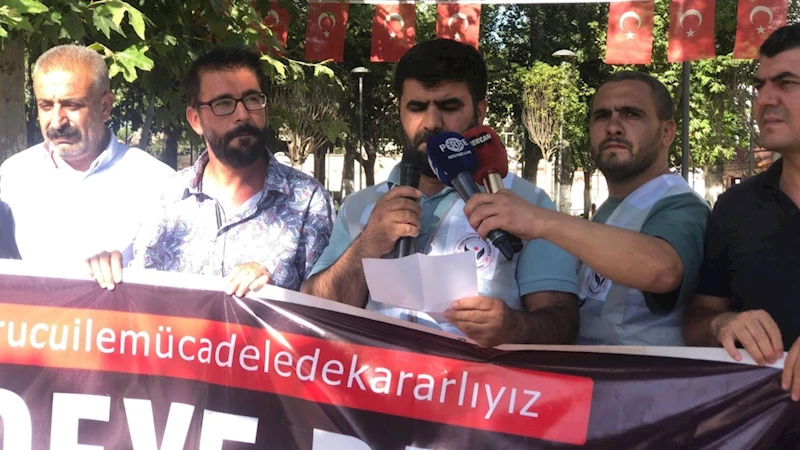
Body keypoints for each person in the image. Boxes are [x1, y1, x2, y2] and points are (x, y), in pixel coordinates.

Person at [302, 39, 580, 347]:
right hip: (378, 376)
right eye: (417, 107)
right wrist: (367, 244)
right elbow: (315, 312)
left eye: (449, 107)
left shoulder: (528, 204)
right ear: (399, 111)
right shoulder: (360, 207)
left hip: (476, 377)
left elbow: (562, 324)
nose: (432, 123)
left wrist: (512, 327)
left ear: (480, 111)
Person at [464, 71, 710, 346]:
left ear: (667, 133)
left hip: (646, 372)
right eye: (602, 115)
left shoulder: (680, 204)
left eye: (631, 114)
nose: (613, 127)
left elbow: (663, 270)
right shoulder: (612, 208)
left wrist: (539, 220)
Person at [88, 47, 334, 297]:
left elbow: (326, 305)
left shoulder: (307, 201)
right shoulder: (166, 199)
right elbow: (143, 301)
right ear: (195, 119)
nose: (242, 115)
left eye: (252, 99)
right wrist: (112, 275)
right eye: (223, 103)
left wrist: (276, 296)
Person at [683, 24, 800, 401]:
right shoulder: (735, 207)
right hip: (759, 423)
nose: (763, 99)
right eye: (759, 86)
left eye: (786, 83)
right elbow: (697, 318)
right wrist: (722, 323)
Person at [0, 45, 174, 265]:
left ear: (105, 107)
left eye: (71, 105)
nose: (57, 122)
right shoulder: (13, 175)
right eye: (46, 106)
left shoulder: (158, 184)